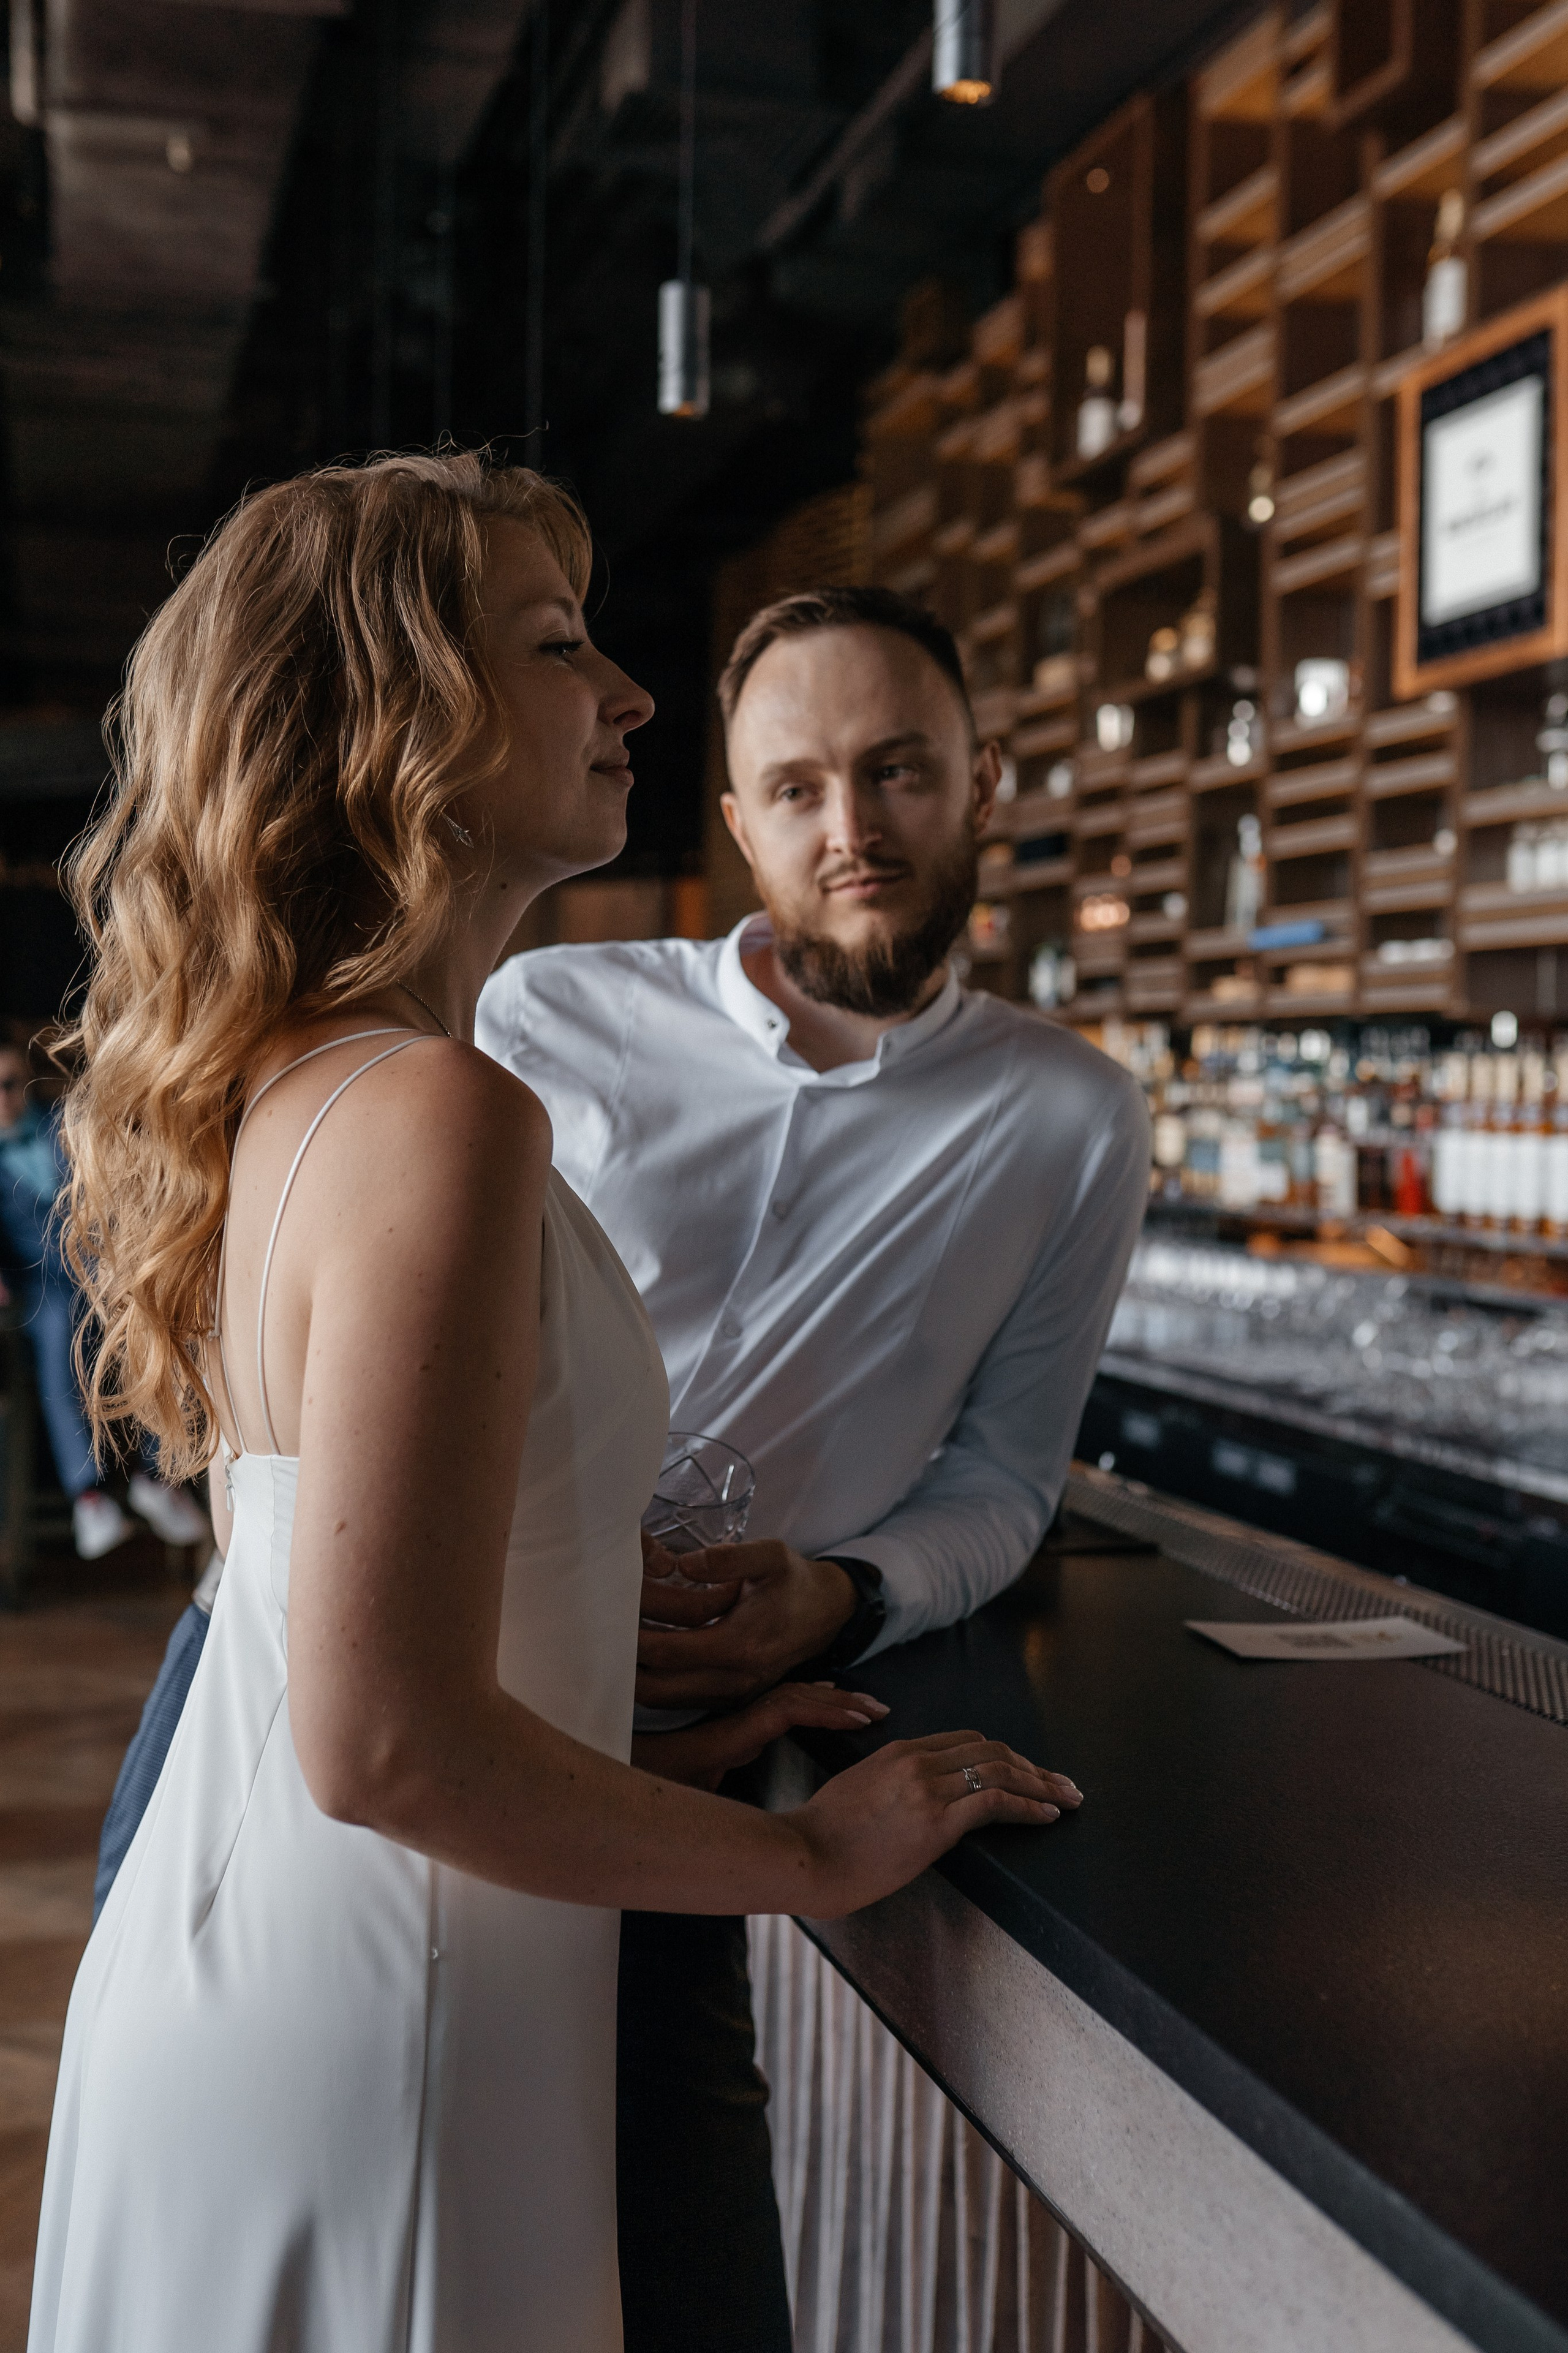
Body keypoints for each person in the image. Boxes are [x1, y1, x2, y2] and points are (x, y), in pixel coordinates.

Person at [30, 453, 1076, 2353]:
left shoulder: (314, 1079)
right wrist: (805, 1853)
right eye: (557, 644)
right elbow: (384, 1740)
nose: (630, 695)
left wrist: (658, 1757)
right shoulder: (442, 1110)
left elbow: (346, 1657)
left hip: (296, 1947)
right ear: (396, 718)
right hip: (388, 2010)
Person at [477, 584, 1151, 2352]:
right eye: (796, 787)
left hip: (676, 1786)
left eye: (898, 770)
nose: (849, 832)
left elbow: (1009, 1480)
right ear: (736, 817)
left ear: (985, 778)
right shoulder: (545, 1019)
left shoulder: (1072, 1115)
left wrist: (844, 1596)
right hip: (436, 1707)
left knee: (687, 2298)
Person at [0, 1040, 207, 1560]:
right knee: (55, 1330)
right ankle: (87, 1495)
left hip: (99, 1262)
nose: (3, 1099)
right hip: (38, 1282)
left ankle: (157, 1472)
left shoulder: (66, 1125)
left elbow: (116, 1185)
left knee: (148, 1308)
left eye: (10, 1084)